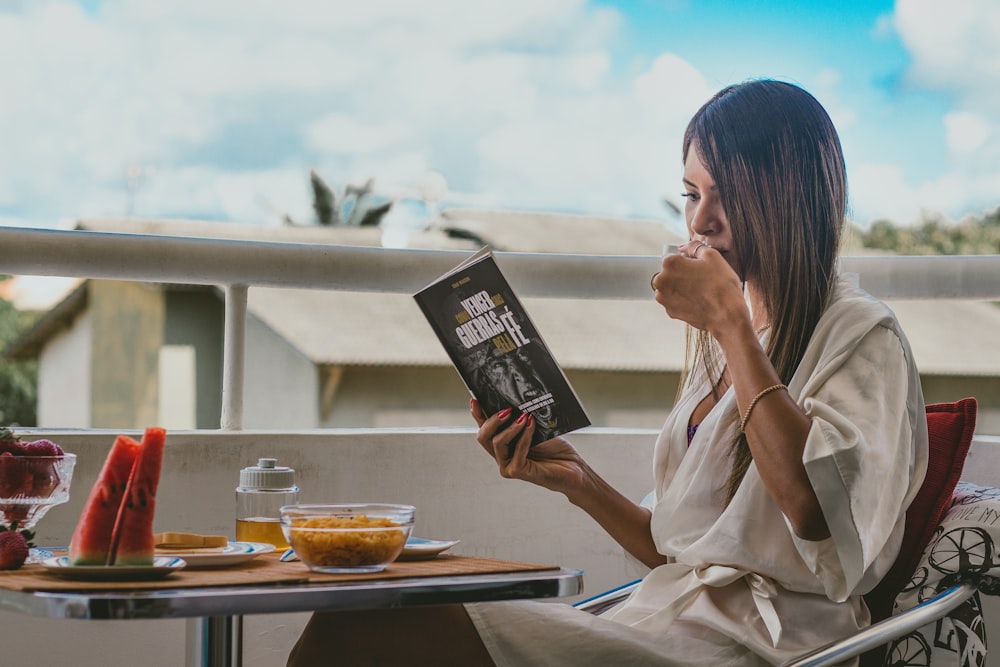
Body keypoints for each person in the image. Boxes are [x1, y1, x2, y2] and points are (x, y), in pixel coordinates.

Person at [286, 79, 928, 666]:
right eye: (692, 194)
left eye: (727, 195)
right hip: (663, 624)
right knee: (363, 613)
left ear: (790, 194)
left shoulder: (861, 334)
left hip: (760, 649)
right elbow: (684, 553)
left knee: (373, 624)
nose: (702, 221)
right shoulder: (735, 342)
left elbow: (818, 513)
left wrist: (729, 325)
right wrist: (576, 479)